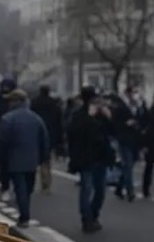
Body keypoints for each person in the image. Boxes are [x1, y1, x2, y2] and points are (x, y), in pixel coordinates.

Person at [0, 89, 49, 227]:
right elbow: (43, 139)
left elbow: (2, 142)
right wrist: (43, 157)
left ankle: (24, 216)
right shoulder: (36, 119)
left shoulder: (7, 119)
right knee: (28, 188)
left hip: (14, 160)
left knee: (20, 188)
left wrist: (0, 160)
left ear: (16, 102)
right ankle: (25, 213)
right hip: (32, 160)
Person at [67, 87, 115, 233]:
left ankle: (94, 215)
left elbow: (111, 133)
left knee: (100, 190)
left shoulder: (101, 115)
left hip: (100, 156)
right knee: (86, 188)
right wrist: (90, 117)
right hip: (85, 157)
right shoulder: (79, 115)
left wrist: (108, 117)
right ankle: (86, 220)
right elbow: (74, 133)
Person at [111, 87, 146, 201]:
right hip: (124, 139)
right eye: (132, 93)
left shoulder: (138, 106)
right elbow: (115, 124)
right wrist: (126, 124)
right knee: (128, 164)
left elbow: (143, 119)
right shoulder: (120, 106)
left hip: (135, 140)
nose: (134, 96)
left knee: (129, 164)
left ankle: (119, 186)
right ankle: (130, 191)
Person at [31, 85, 63, 194]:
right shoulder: (54, 104)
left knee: (39, 157)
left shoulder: (34, 103)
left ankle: (41, 180)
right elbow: (59, 121)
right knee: (47, 158)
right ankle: (47, 182)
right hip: (51, 132)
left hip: (36, 132)